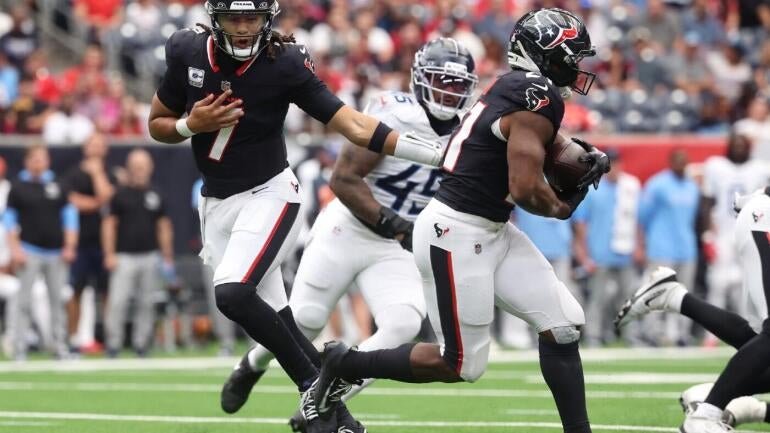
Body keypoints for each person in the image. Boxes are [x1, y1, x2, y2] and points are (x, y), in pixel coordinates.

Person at [146, 2, 445, 432]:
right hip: (216, 202)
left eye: (253, 17)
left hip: (269, 194)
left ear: (268, 18)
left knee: (231, 293)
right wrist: (190, 125)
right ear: (215, 18)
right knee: (282, 320)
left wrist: (438, 154)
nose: (245, 28)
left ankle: (313, 391)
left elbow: (356, 127)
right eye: (235, 17)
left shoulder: (283, 62)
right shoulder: (186, 50)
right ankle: (341, 420)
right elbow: (156, 122)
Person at [312, 9, 609, 433]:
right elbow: (525, 188)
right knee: (461, 364)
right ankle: (345, 363)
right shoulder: (535, 94)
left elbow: (542, 140)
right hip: (456, 231)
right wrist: (563, 206)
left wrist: (585, 155)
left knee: (563, 325)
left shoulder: (523, 89)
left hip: (491, 228)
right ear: (547, 54)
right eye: (571, 56)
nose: (577, 67)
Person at [218, 38, 478, 430]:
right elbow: (343, 179)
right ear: (421, 79)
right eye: (443, 80)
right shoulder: (395, 113)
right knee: (304, 317)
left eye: (459, 84)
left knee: (404, 323)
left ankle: (320, 402)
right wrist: (393, 223)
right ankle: (251, 363)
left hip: (399, 245)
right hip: (351, 227)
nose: (450, 91)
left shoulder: (473, 127)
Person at [615, 187, 770, 433]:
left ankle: (675, 298)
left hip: (760, 215)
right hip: (764, 219)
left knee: (760, 340)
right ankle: (705, 416)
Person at [3, 144, 78, 360]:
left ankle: (60, 346)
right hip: (29, 250)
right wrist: (16, 249)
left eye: (42, 158)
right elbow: (10, 221)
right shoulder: (18, 187)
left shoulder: (58, 185)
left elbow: (70, 217)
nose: (38, 162)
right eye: (34, 158)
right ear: (27, 161)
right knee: (23, 301)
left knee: (57, 301)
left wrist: (70, 246)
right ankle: (19, 348)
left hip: (56, 252)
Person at [700, 131, 770, 345]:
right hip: (723, 232)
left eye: (742, 144)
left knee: (750, 283)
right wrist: (707, 234)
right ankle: (710, 335)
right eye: (735, 143)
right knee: (718, 283)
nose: (738, 147)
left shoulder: (759, 168)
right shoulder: (715, 166)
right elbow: (707, 201)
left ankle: (751, 331)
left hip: (750, 230)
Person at [102, 149, 173, 358]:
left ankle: (142, 344)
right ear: (129, 168)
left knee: (147, 302)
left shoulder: (156, 193)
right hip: (124, 256)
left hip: (150, 255)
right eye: (136, 166)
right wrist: (109, 253)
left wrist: (166, 255)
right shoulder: (119, 194)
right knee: (118, 301)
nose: (140, 170)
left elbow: (164, 225)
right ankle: (113, 344)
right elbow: (109, 225)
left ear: (150, 168)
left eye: (143, 166)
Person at [573, 149, 640, 346]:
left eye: (617, 164)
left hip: (625, 252)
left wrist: (639, 246)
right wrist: (584, 255)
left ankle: (630, 334)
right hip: (600, 253)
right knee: (597, 298)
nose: (615, 169)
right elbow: (581, 225)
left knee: (628, 298)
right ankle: (593, 335)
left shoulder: (630, 187)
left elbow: (636, 220)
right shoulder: (593, 188)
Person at [636, 149, 700, 345]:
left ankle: (681, 334)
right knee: (657, 292)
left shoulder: (692, 187)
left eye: (684, 162)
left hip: (687, 248)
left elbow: (694, 219)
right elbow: (642, 217)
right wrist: (642, 243)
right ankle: (651, 333)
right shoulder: (657, 185)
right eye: (678, 161)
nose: (681, 165)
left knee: (684, 294)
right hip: (661, 247)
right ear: (670, 163)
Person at [65, 132, 114, 353]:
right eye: (92, 144)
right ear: (85, 148)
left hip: (104, 245)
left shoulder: (109, 173)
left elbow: (108, 196)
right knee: (76, 291)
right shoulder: (73, 174)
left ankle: (109, 338)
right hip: (80, 243)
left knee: (107, 293)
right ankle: (73, 339)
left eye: (99, 145)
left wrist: (97, 174)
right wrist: (98, 201)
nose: (95, 148)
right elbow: (73, 202)